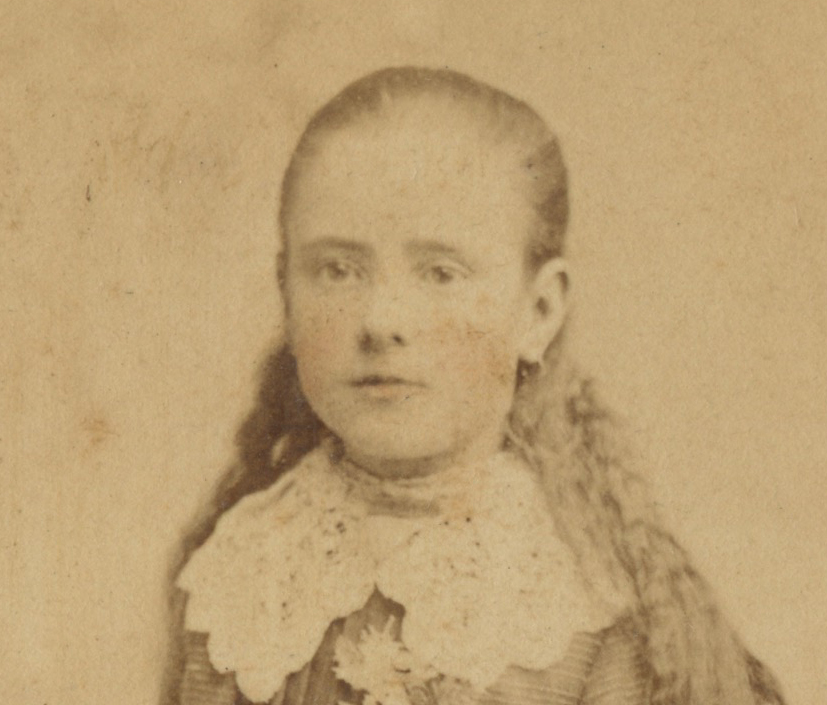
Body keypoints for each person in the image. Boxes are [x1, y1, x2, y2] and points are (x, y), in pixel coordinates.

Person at [161, 67, 785, 705]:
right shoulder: (236, 570)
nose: (381, 320)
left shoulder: (591, 605)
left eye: (441, 273)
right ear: (286, 294)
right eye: (337, 269)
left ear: (538, 312)